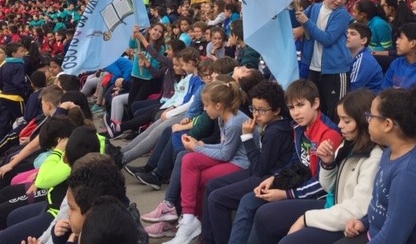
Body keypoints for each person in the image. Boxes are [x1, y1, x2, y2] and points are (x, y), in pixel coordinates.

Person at [250, 89, 382, 244]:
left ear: (364, 121)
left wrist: (304, 216)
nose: (340, 125)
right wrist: (327, 163)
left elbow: (355, 209)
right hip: (332, 204)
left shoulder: (373, 157)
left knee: (288, 240)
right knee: (263, 214)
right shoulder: (348, 143)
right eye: (291, 107)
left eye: (346, 121)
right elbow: (328, 185)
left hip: (345, 219)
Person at [228, 79, 342, 244]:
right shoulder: (299, 128)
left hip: (319, 197)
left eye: (300, 105)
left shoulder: (329, 135)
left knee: (265, 213)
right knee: (250, 200)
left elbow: (323, 184)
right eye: (291, 107)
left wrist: (286, 194)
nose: (296, 113)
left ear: (316, 103)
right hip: (300, 184)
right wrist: (275, 178)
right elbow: (296, 161)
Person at [335, 87, 416, 244]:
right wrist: (365, 222)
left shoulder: (409, 173)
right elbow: (382, 204)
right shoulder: (390, 152)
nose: (367, 121)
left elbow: (392, 238)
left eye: (370, 116)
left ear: (387, 124)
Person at [142, 79, 250, 244]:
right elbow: (223, 147)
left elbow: (225, 155)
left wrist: (197, 147)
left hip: (241, 164)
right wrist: (201, 145)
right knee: (188, 158)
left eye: (206, 106)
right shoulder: (222, 117)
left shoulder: (234, 122)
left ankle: (192, 220)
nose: (204, 110)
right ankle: (188, 217)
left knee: (201, 175)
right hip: (231, 158)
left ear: (219, 106)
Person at [201, 81, 294, 244]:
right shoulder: (271, 124)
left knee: (217, 199)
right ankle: (208, 239)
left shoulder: (276, 132)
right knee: (212, 185)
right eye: (254, 109)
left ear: (276, 110)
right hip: (257, 172)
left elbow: (260, 169)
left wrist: (247, 137)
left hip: (267, 178)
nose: (256, 115)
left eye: (261, 110)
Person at [296, 0, 353, 120]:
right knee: (316, 110)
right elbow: (299, 19)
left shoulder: (342, 14)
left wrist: (306, 22)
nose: (339, 0)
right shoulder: (315, 8)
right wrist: (293, 6)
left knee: (337, 112)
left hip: (335, 70)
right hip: (314, 68)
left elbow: (327, 39)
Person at [0, 43, 30, 148]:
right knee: (22, 121)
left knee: (2, 123)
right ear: (14, 54)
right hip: (16, 99)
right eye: (21, 51)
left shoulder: (5, 65)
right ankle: (18, 144)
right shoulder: (19, 65)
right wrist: (26, 90)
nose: (24, 53)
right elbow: (18, 82)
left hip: (3, 97)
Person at [381, 23, 416, 90]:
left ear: (412, 43)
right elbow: (384, 90)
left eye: (401, 38)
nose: (397, 42)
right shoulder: (397, 63)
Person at [346, 23, 382, 92]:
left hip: (367, 98)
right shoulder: (349, 55)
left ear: (363, 40)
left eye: (352, 34)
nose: (347, 36)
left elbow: (352, 89)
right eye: (347, 33)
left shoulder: (364, 60)